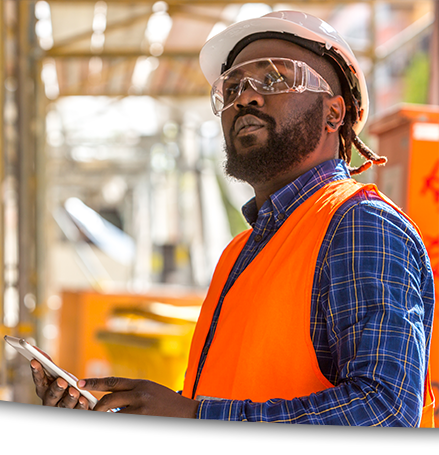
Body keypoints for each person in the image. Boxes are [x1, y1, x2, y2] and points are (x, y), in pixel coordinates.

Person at [30, 10, 435, 426]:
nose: (245, 97)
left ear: (334, 114)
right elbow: (227, 398)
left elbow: (385, 413)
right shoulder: (241, 251)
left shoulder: (360, 226)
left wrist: (195, 415)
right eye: (233, 87)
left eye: (275, 79)